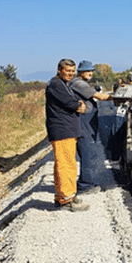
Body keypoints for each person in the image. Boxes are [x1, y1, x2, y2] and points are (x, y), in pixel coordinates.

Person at [45, 59, 88, 211]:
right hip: (62, 130)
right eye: (67, 71)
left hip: (66, 130)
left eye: (72, 71)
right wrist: (79, 105)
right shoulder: (56, 85)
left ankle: (62, 196)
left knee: (62, 163)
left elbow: (73, 100)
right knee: (66, 164)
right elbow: (72, 103)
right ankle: (67, 198)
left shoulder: (63, 85)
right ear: (59, 70)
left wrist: (78, 103)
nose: (70, 74)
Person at [69, 60, 113, 194]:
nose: (90, 73)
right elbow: (99, 96)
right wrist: (117, 98)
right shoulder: (79, 84)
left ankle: (86, 182)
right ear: (80, 72)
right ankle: (85, 185)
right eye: (87, 70)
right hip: (83, 123)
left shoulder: (80, 83)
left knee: (90, 153)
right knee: (88, 154)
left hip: (87, 122)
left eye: (91, 71)